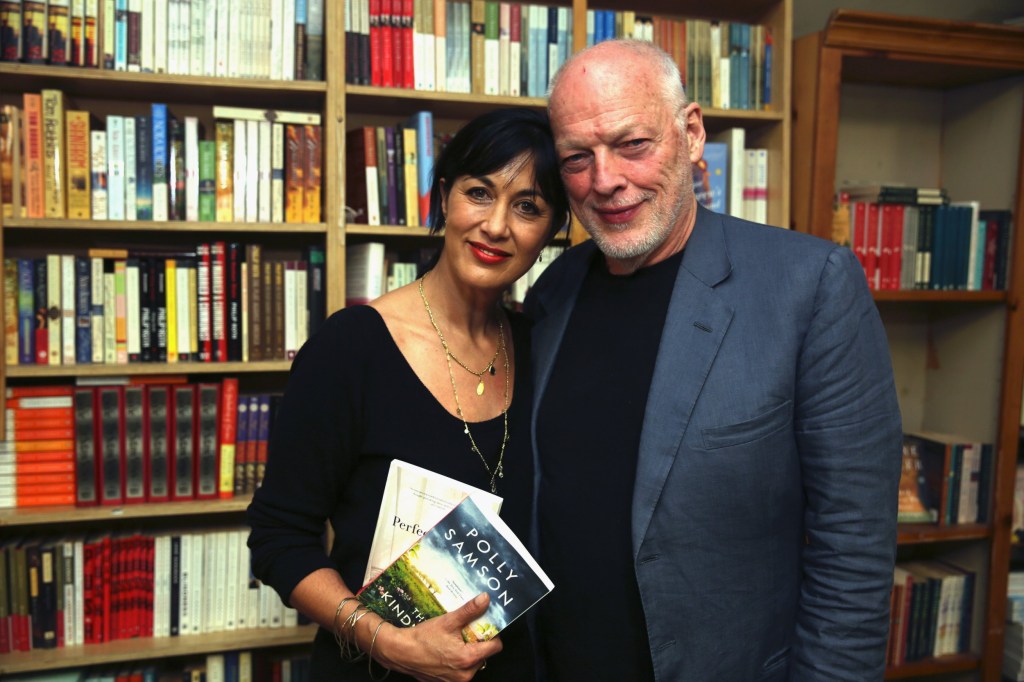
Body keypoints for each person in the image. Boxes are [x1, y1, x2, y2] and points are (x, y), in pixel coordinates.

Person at [525, 39, 903, 680]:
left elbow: (854, 546)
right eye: (576, 159)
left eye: (632, 144)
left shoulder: (809, 285)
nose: (606, 180)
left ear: (692, 132)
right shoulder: (551, 292)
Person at [248, 107, 570, 681]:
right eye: (479, 192)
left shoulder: (542, 346)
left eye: (528, 207)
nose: (496, 225)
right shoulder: (351, 347)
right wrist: (389, 643)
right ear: (443, 197)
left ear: (550, 232)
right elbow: (279, 539)